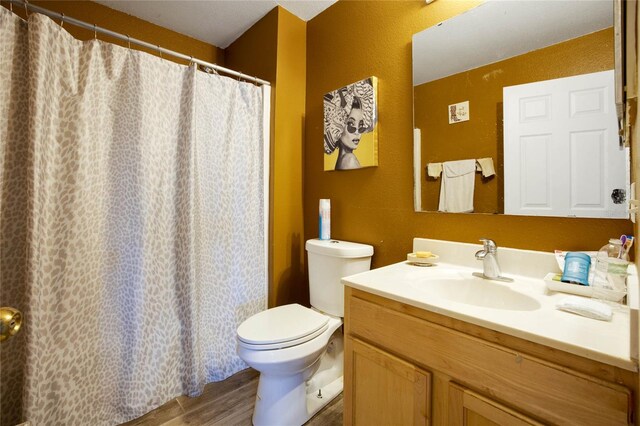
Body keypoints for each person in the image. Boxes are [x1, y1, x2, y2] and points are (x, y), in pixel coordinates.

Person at [335, 97, 369, 170]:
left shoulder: (342, 160)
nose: (357, 132)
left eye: (360, 126)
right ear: (339, 126)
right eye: (351, 125)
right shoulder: (350, 160)